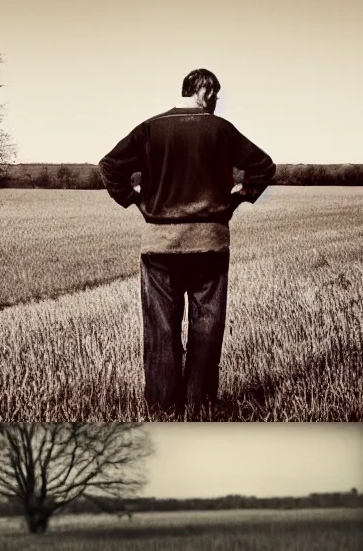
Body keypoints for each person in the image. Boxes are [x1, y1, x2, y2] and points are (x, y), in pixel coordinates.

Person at [99, 68, 274, 416]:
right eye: (216, 95)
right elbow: (264, 167)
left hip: (159, 246)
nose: (216, 102)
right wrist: (238, 198)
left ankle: (163, 409)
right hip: (209, 245)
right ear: (204, 89)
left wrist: (136, 199)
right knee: (207, 327)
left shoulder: (151, 129)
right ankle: (201, 406)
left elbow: (109, 166)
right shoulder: (221, 130)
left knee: (160, 331)